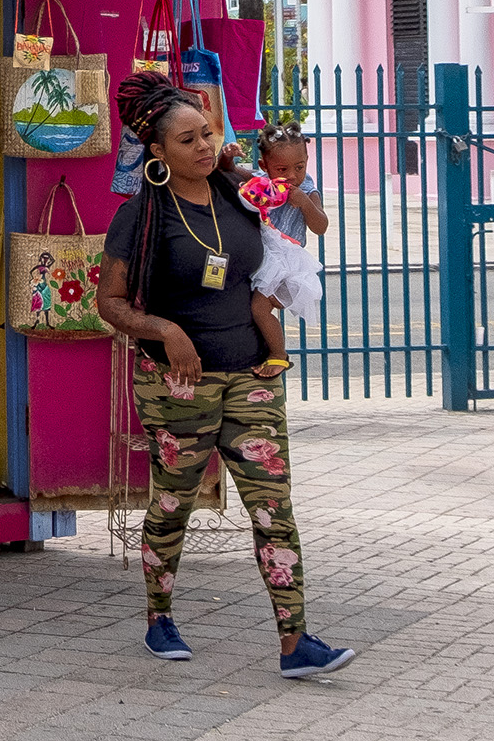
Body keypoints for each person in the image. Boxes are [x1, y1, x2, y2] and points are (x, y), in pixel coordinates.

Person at [98, 74, 357, 679]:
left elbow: (296, 218)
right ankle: (159, 618)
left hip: (250, 375)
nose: (203, 147)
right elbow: (108, 302)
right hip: (176, 382)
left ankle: (295, 642)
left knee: (274, 507)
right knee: (173, 503)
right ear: (157, 153)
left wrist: (245, 172)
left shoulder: (241, 197)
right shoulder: (140, 215)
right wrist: (164, 331)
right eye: (186, 140)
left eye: (207, 134)